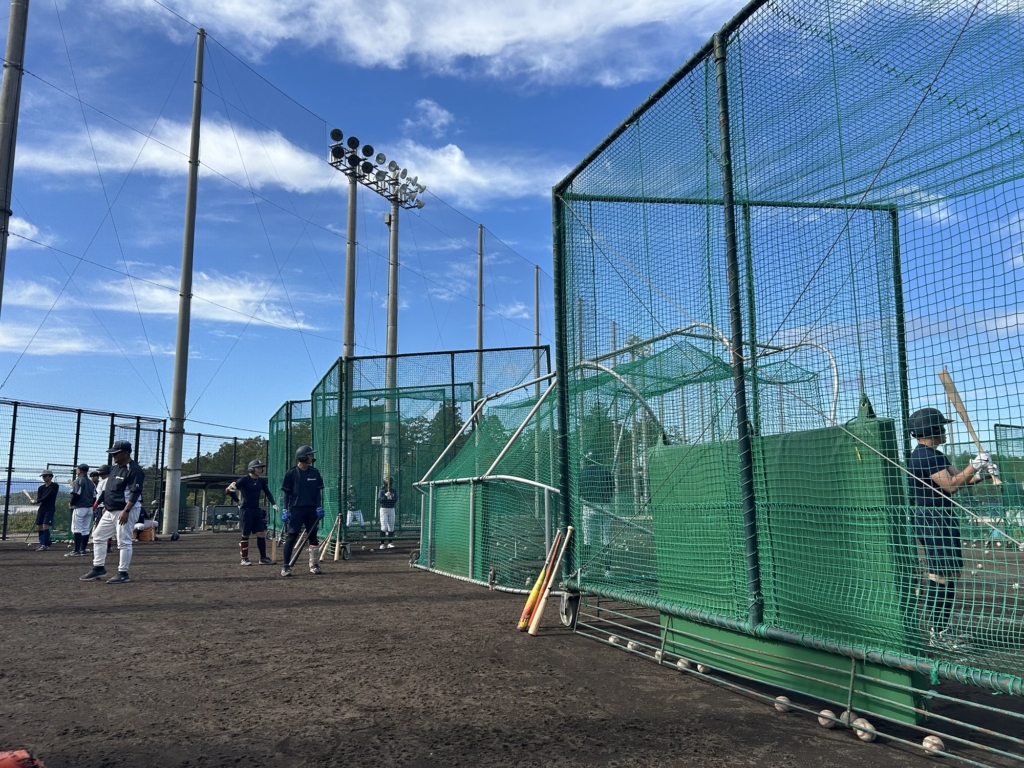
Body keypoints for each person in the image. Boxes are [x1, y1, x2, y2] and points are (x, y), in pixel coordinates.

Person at [906, 407, 997, 651]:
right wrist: (974, 464)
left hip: (942, 519)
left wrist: (982, 473)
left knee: (948, 574)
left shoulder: (935, 455)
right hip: (933, 521)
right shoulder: (924, 456)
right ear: (933, 429)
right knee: (941, 576)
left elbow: (962, 479)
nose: (945, 431)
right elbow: (952, 485)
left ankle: (941, 629)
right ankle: (938, 632)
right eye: (942, 426)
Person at [79, 441, 145, 584]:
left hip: (125, 510)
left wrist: (126, 510)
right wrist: (106, 506)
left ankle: (123, 573)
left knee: (124, 542)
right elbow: (108, 489)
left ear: (126, 453)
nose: (113, 455)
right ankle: (99, 567)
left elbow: (135, 492)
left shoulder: (134, 470)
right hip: (111, 510)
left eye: (116, 453)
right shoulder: (115, 468)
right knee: (98, 536)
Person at [280, 445, 325, 577]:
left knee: (313, 537)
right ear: (302, 457)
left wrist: (319, 507)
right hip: (296, 509)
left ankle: (314, 564)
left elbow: (318, 493)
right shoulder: (291, 473)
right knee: (292, 536)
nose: (311, 457)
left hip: (311, 509)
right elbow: (286, 493)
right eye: (309, 455)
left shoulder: (314, 472)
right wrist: (285, 509)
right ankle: (286, 566)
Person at [226, 459, 277, 566]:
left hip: (256, 510)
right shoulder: (244, 480)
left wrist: (273, 503)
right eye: (258, 467)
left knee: (261, 533)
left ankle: (263, 558)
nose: (260, 469)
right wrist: (238, 501)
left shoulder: (261, 481)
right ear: (251, 469)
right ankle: (244, 558)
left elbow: (267, 493)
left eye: (261, 467)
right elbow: (229, 490)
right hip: (246, 510)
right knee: (246, 534)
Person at [580, 451, 615, 553]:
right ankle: (607, 562)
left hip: (588, 506)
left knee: (587, 535)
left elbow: (579, 491)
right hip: (604, 506)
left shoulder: (582, 473)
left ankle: (585, 560)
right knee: (605, 535)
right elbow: (612, 489)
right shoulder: (606, 471)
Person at [65, 463, 96, 557]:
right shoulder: (91, 482)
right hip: (89, 508)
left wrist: (71, 503)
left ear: (80, 470)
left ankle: (76, 550)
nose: (76, 471)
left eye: (77, 469)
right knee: (85, 529)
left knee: (76, 529)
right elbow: (94, 496)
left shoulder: (78, 480)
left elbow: (76, 494)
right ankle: (83, 550)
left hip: (79, 507)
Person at [32, 470, 59, 551]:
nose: (43, 478)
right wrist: (35, 501)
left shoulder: (54, 486)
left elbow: (48, 496)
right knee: (40, 526)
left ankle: (45, 544)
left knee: (45, 525)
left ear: (50, 477)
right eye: (43, 476)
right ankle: (42, 543)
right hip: (42, 509)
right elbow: (40, 498)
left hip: (49, 509)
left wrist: (37, 501)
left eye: (45, 476)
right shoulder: (41, 488)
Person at [377, 477, 397, 549]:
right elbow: (380, 500)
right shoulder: (382, 491)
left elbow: (395, 499)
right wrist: (385, 496)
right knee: (384, 527)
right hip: (384, 509)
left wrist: (391, 498)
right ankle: (382, 544)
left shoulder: (393, 491)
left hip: (391, 509)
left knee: (391, 527)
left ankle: (390, 543)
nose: (391, 484)